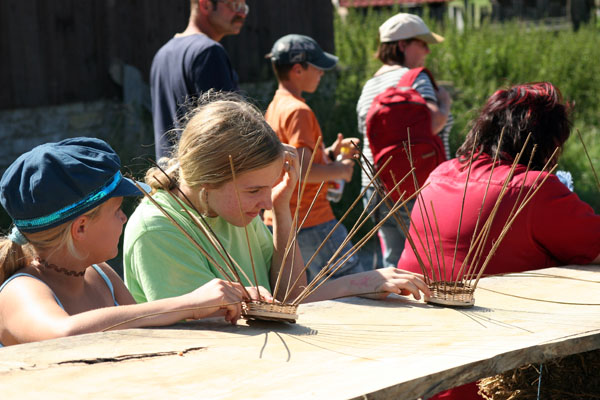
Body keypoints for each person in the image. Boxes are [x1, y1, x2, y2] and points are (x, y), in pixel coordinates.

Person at [124, 92, 430, 305]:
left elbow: (289, 297)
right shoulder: (159, 230)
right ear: (208, 180)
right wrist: (353, 284)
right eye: (254, 190)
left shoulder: (229, 209)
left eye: (268, 188)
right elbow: (219, 330)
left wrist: (283, 210)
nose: (265, 203)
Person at [397, 82, 600, 400]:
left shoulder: (440, 174)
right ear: (547, 140)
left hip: (421, 369)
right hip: (493, 382)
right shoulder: (533, 190)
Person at [0, 137, 266, 347]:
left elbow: (145, 334)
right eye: (117, 210)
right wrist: (190, 304)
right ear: (81, 227)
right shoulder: (20, 290)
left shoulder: (101, 274)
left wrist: (222, 305)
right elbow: (64, 333)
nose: (124, 218)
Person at [262, 34, 371, 283]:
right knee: (359, 286)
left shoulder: (276, 106)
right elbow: (301, 171)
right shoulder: (299, 111)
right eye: (317, 67)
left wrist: (329, 153)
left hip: (282, 218)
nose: (322, 73)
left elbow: (289, 160)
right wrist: (341, 170)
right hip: (311, 220)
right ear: (298, 69)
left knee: (304, 292)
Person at [356, 13, 452, 268]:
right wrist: (445, 103)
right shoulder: (416, 78)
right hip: (413, 185)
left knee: (394, 263)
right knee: (428, 261)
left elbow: (367, 134)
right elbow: (434, 123)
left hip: (375, 187)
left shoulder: (369, 86)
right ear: (402, 45)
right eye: (422, 43)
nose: (427, 51)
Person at [150, 0, 249, 160]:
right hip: (203, 172)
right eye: (234, 5)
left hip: (168, 171)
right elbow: (229, 128)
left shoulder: (162, 54)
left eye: (244, 7)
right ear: (205, 5)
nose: (242, 14)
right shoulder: (208, 52)